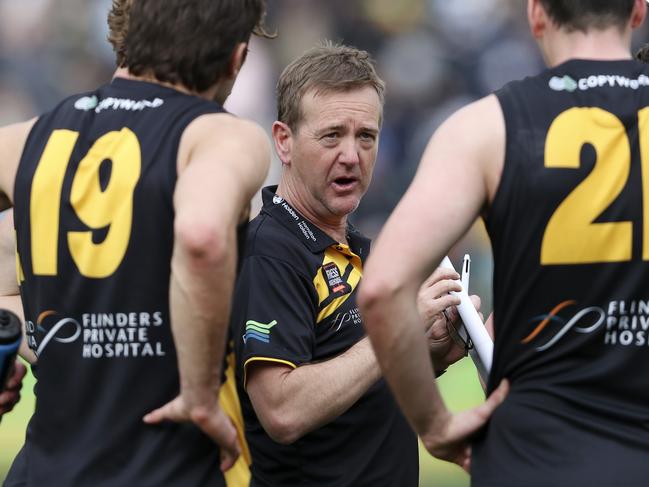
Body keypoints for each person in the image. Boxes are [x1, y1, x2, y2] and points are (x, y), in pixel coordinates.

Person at [360, 0, 649, 485]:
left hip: (533, 458)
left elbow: (382, 288)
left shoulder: (483, 127)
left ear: (536, 13)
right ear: (639, 10)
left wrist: (434, 425)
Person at [0, 0, 272, 485]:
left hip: (42, 470)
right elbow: (202, 236)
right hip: (165, 466)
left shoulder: (24, 140)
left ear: (123, 38)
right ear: (236, 58)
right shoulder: (219, 138)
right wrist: (200, 395)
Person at [230, 42, 480, 487]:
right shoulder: (269, 252)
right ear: (283, 142)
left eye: (366, 135)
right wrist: (397, 328)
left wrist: (434, 351)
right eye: (332, 135)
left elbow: (358, 382)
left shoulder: (361, 249)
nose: (351, 154)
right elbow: (282, 411)